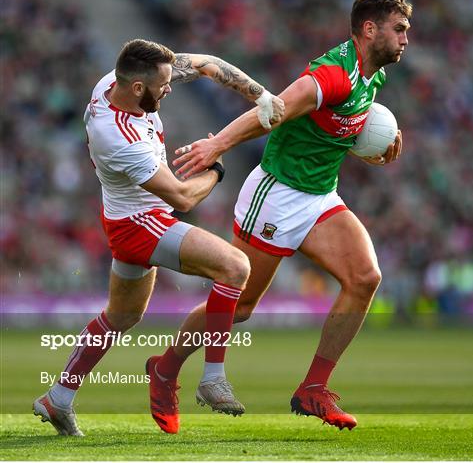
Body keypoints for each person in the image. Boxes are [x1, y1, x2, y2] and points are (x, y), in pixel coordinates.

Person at [169, 0, 411, 431]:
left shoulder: (373, 74)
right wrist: (217, 144)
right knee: (239, 308)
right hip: (276, 194)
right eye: (398, 29)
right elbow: (275, 109)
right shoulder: (331, 74)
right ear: (369, 29)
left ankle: (313, 390)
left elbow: (337, 125)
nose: (405, 38)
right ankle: (166, 366)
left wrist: (373, 146)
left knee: (365, 278)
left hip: (319, 196)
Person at [33, 39, 285, 436]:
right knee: (235, 267)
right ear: (137, 88)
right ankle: (212, 377)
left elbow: (205, 63)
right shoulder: (117, 136)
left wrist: (262, 95)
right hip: (139, 222)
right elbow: (183, 196)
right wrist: (215, 168)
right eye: (163, 85)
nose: (169, 88)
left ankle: (58, 398)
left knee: (122, 316)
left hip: (124, 217)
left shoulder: (118, 82)